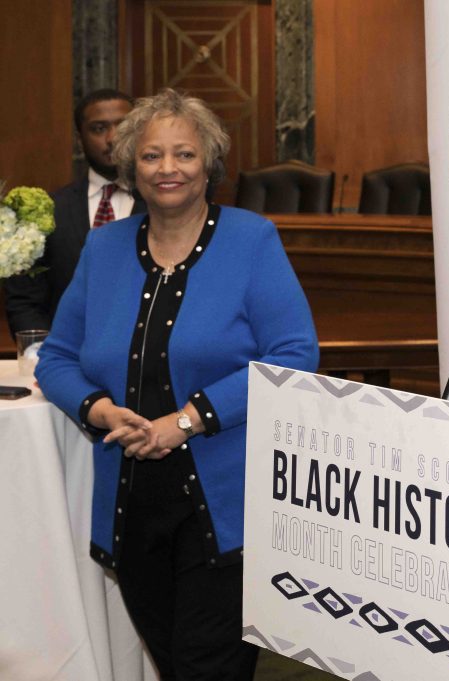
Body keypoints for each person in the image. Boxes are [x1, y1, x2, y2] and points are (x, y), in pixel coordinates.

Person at [36, 88, 319, 680]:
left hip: (225, 507)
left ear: (209, 163)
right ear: (130, 167)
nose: (168, 169)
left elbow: (294, 356)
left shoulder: (251, 239)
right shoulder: (104, 247)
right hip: (131, 507)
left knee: (205, 669)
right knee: (173, 664)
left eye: (184, 155)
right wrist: (99, 412)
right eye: (151, 156)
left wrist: (186, 420)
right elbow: (56, 357)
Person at [4, 89, 147, 335]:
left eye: (123, 127)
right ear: (80, 139)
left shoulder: (167, 206)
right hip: (68, 357)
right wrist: (45, 358)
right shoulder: (49, 210)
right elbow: (24, 302)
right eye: (99, 128)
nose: (113, 138)